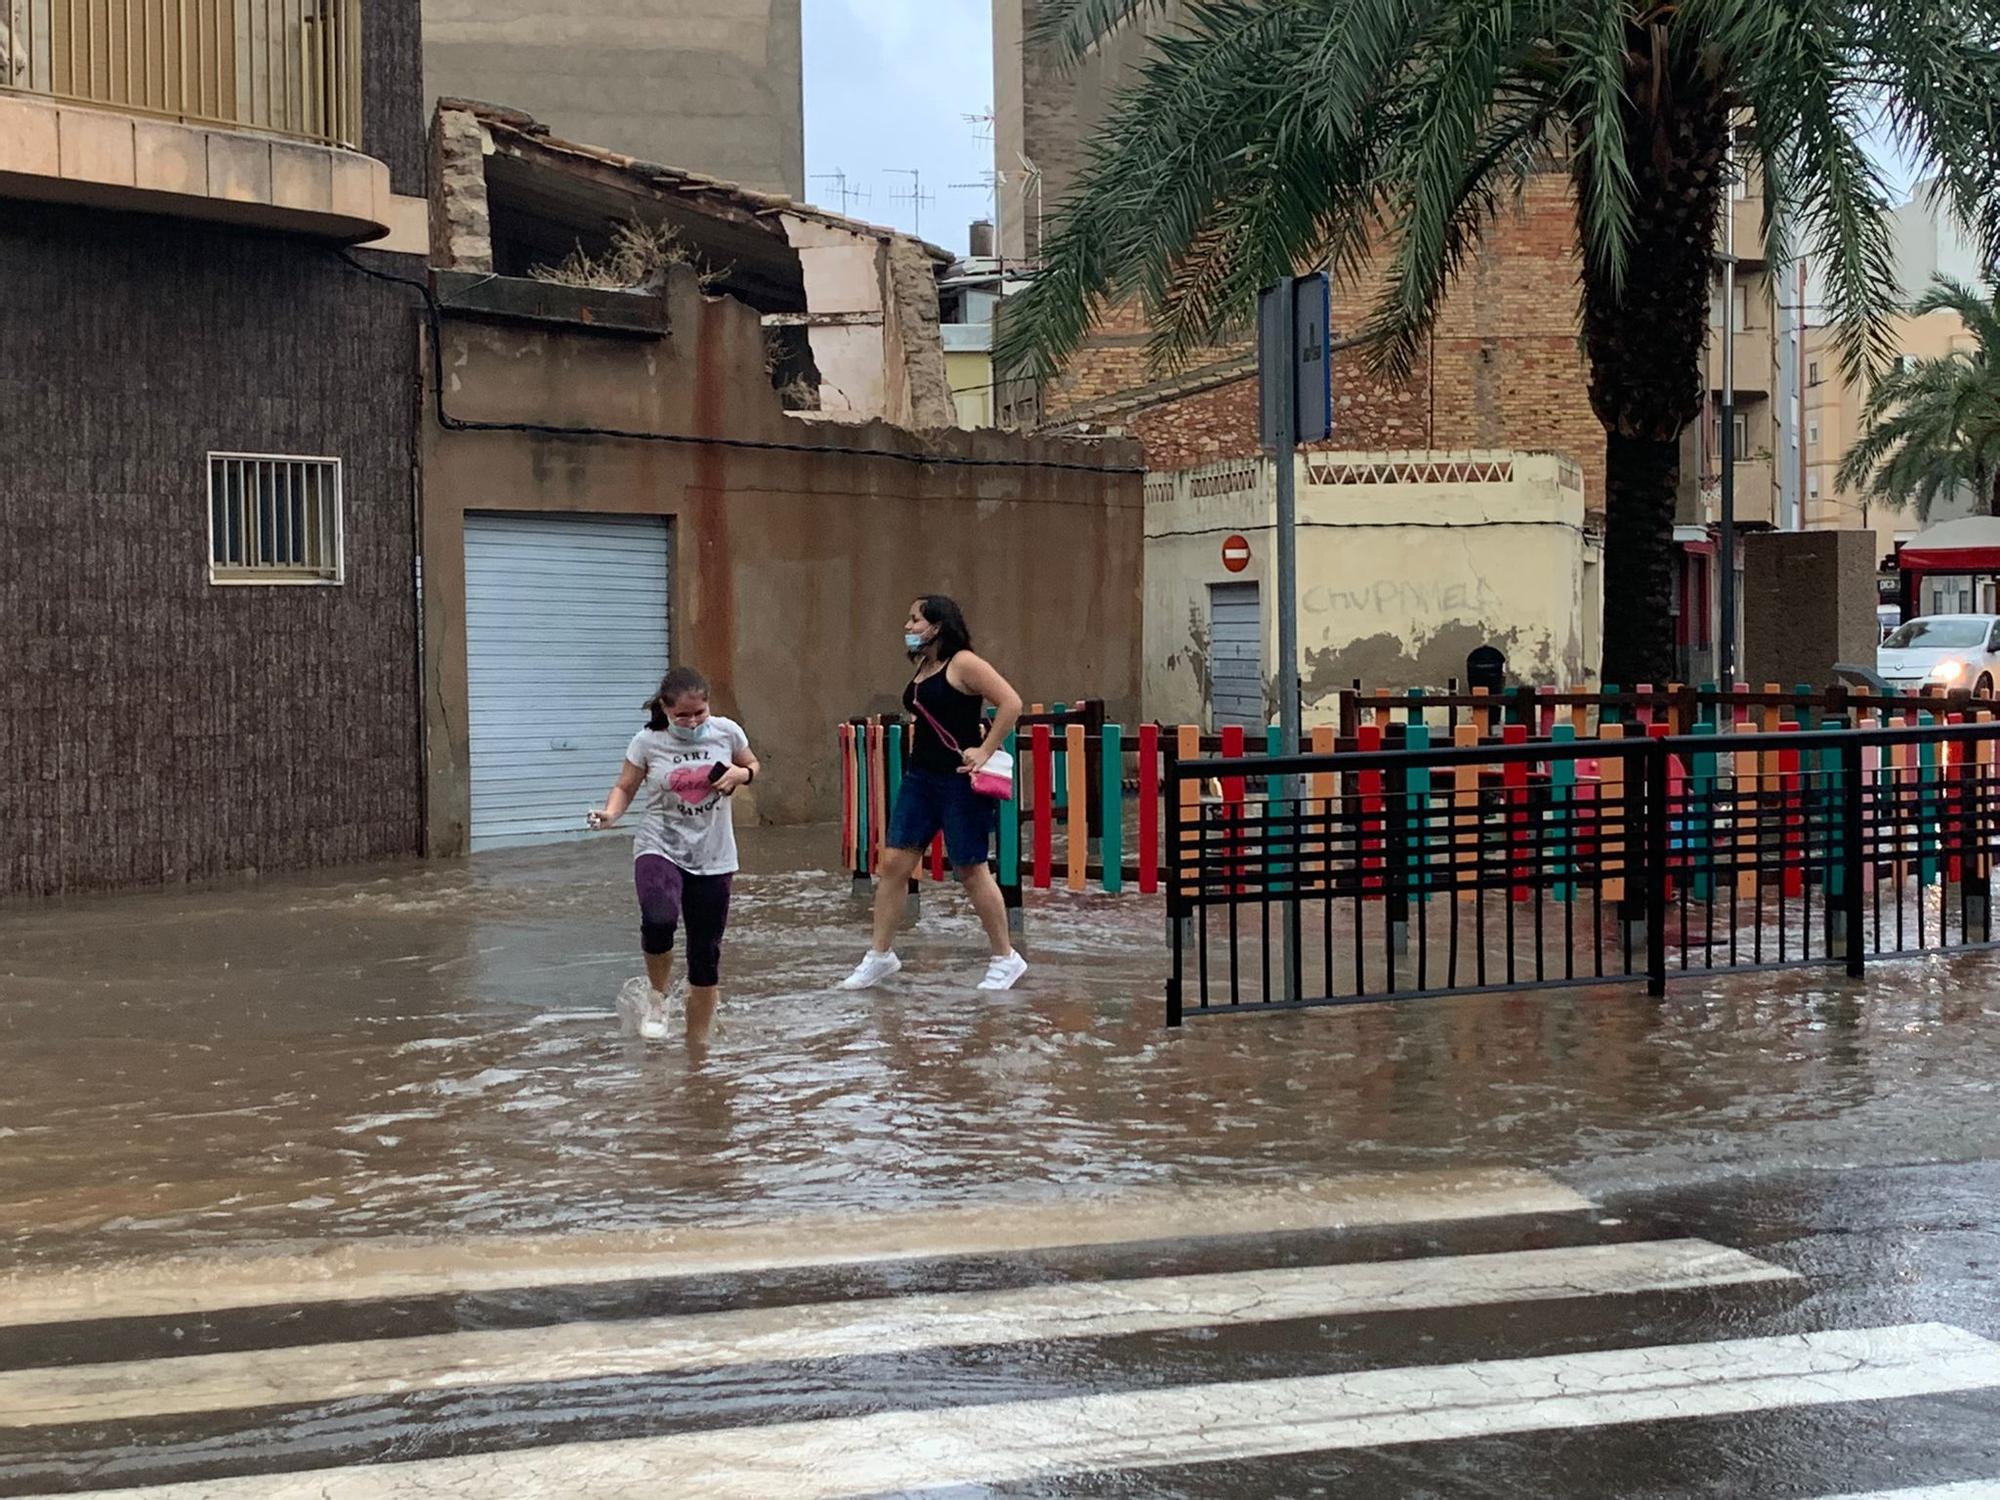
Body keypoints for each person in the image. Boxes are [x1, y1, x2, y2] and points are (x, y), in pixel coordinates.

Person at [842, 596, 1027, 992]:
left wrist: (985, 749)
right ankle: (880, 956)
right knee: (893, 862)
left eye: (915, 619)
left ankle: (1005, 958)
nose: (908, 627)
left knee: (971, 868)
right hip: (920, 778)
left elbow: (1011, 702)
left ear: (938, 625)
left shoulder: (964, 663)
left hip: (959, 781)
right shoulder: (927, 665)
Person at [588, 666, 758, 1044]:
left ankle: (698, 1052)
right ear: (665, 710)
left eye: (700, 712)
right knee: (659, 916)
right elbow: (625, 786)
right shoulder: (648, 741)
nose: (693, 721)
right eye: (683, 715)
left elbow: (752, 765)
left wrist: (739, 775)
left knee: (705, 955)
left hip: (714, 854)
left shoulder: (727, 732)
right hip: (659, 844)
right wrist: (611, 814)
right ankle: (658, 996)